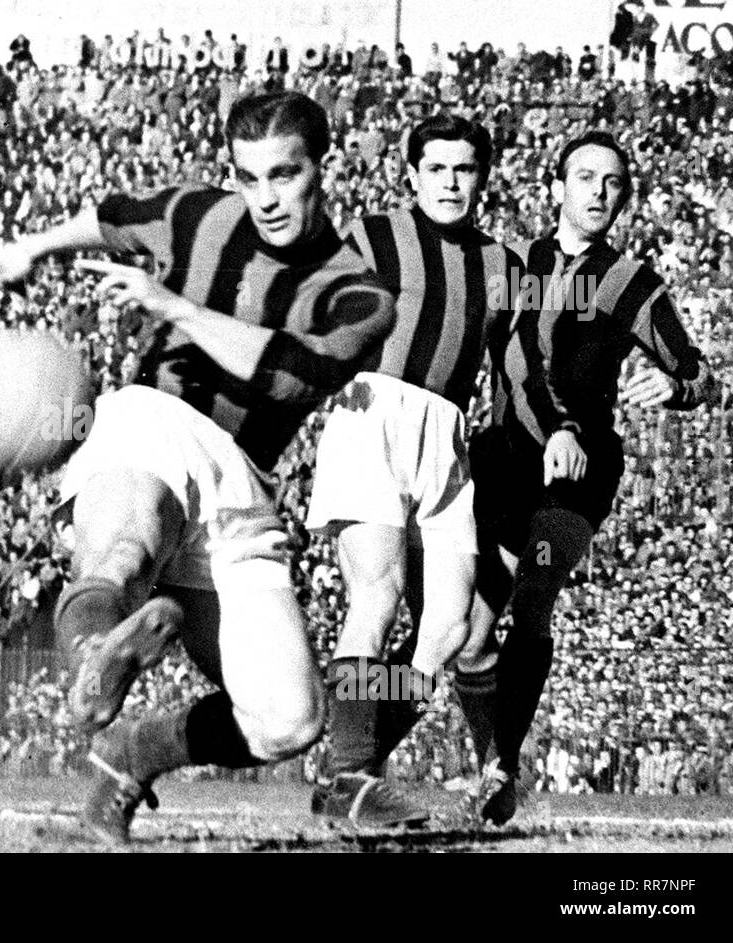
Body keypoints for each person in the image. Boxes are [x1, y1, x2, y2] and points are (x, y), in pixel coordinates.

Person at [0, 91, 396, 844]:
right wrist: (30, 249)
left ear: (320, 167)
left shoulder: (358, 294)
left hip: (243, 484)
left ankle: (134, 751)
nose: (264, 198)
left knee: (288, 720)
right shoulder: (200, 215)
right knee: (126, 544)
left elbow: (291, 375)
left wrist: (174, 308)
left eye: (283, 175)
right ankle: (94, 659)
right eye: (248, 177)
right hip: (152, 419)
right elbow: (108, 216)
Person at [459, 131, 716, 824]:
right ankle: (487, 768)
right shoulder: (515, 266)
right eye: (586, 177)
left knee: (535, 591)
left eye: (614, 182)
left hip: (582, 470)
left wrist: (675, 387)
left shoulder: (632, 281)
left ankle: (500, 764)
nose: (600, 192)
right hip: (509, 458)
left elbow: (699, 373)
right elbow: (504, 358)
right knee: (469, 629)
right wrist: (543, 429)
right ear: (556, 189)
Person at [306, 114, 524, 827]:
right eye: (438, 168)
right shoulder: (372, 237)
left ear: (483, 177)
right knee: (379, 594)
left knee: (450, 627)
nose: (452, 182)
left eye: (465, 169)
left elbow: (515, 373)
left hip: (449, 433)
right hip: (374, 412)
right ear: (413, 175)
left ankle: (351, 762)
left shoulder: (502, 264)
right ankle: (351, 776)